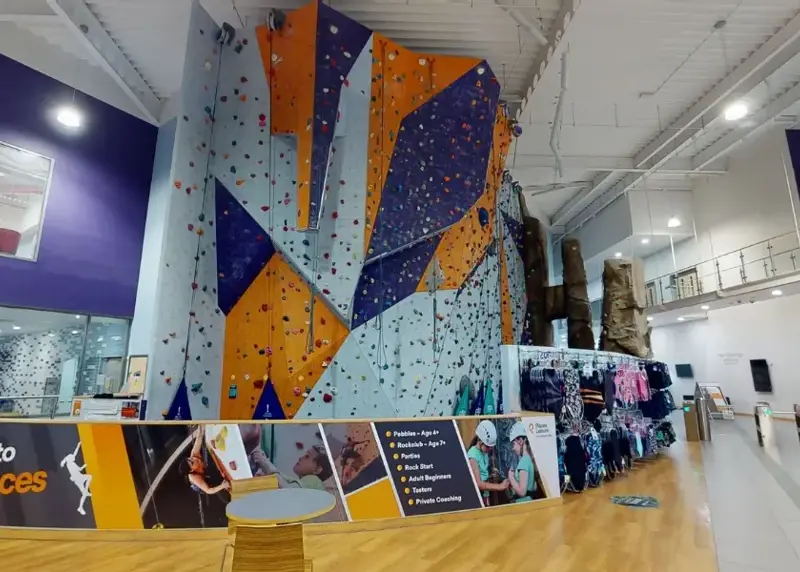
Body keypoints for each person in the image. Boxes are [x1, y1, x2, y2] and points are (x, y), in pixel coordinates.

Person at [250, 444, 332, 490]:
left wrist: (266, 464)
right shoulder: (306, 483)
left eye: (307, 456)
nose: (300, 457)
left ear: (317, 470)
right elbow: (282, 478)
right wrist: (266, 467)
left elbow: (288, 490)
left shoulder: (314, 480)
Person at [467, 420, 508, 505]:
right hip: (479, 493)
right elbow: (478, 483)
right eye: (488, 447)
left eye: (491, 447)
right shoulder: (472, 455)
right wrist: (499, 487)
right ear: (480, 440)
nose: (490, 449)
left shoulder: (484, 451)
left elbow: (483, 471)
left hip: (486, 492)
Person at [179, 427, 230, 495]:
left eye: (190, 459)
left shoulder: (194, 454)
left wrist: (201, 424)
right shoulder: (195, 478)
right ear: (192, 470)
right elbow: (208, 490)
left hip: (207, 469)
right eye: (192, 463)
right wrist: (223, 486)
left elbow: (199, 436)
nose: (194, 459)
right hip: (208, 482)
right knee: (220, 480)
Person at [507, 422, 536, 503]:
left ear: (520, 441)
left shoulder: (524, 461)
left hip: (523, 504)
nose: (513, 448)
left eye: (513, 444)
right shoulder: (528, 459)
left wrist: (511, 477)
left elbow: (522, 492)